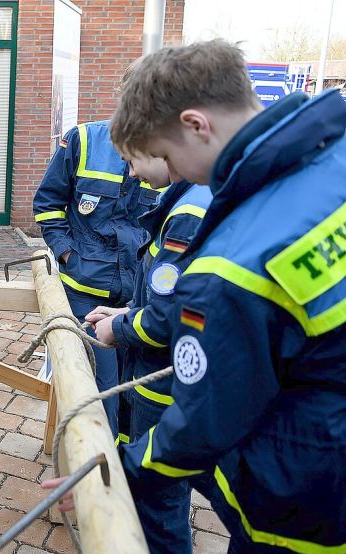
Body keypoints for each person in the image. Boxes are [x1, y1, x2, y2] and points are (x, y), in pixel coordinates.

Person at [45, 39, 346, 552]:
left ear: (196, 125)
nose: (171, 175)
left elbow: (204, 417)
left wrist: (119, 471)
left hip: (306, 504)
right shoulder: (332, 160)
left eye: (164, 155)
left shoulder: (232, 260)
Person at [83, 155, 212, 553]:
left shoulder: (187, 214)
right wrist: (128, 311)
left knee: (159, 504)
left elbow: (168, 320)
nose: (132, 173)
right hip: (166, 379)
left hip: (163, 388)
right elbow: (176, 298)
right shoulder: (189, 195)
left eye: (133, 159)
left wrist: (118, 329)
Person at [32, 84, 161, 433]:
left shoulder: (167, 153)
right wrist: (68, 254)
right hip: (84, 294)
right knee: (101, 395)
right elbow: (47, 204)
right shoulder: (84, 140)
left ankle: (121, 470)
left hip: (137, 301)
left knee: (134, 395)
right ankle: (98, 475)